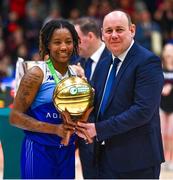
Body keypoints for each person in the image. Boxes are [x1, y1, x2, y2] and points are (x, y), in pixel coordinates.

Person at [76, 10, 165, 179]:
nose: (114, 35)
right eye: (109, 31)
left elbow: (142, 111)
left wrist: (98, 129)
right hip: (104, 158)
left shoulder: (148, 62)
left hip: (138, 161)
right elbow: (95, 105)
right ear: (102, 35)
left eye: (119, 29)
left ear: (132, 30)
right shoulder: (104, 65)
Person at [9, 19, 80, 179]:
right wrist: (55, 129)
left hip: (66, 151)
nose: (63, 47)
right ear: (48, 44)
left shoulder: (75, 75)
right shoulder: (36, 74)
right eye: (57, 42)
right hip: (39, 150)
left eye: (68, 42)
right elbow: (15, 117)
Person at [72, 17, 110, 179]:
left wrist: (84, 81)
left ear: (91, 36)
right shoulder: (79, 63)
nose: (75, 45)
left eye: (77, 40)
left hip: (108, 138)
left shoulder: (113, 59)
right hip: (85, 142)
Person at [160, 43, 173, 170]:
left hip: (172, 106)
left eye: (171, 51)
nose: (169, 54)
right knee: (163, 133)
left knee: (171, 134)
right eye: (167, 51)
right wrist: (162, 89)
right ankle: (163, 158)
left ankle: (171, 159)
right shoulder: (160, 68)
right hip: (162, 105)